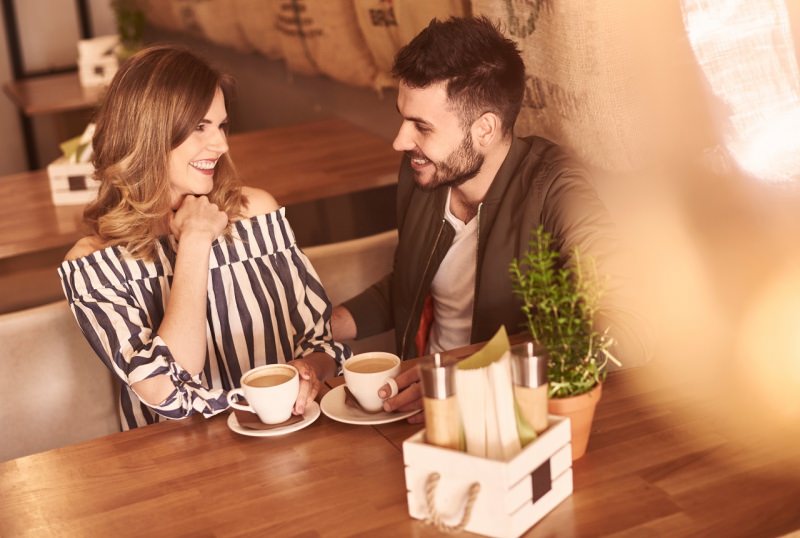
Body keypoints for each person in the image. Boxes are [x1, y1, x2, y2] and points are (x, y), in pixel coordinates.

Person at [332, 17, 648, 421]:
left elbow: (629, 327)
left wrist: (464, 375)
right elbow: (414, 282)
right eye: (402, 118)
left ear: (484, 129)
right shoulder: (422, 171)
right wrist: (327, 325)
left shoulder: (555, 187)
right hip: (412, 407)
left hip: (512, 421)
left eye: (421, 127)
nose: (399, 140)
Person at [59, 45, 349, 430]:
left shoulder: (255, 213)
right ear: (147, 131)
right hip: (184, 466)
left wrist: (309, 370)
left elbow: (320, 337)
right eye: (199, 127)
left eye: (221, 125)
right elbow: (167, 393)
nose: (221, 145)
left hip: (288, 436)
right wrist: (195, 242)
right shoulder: (94, 265)